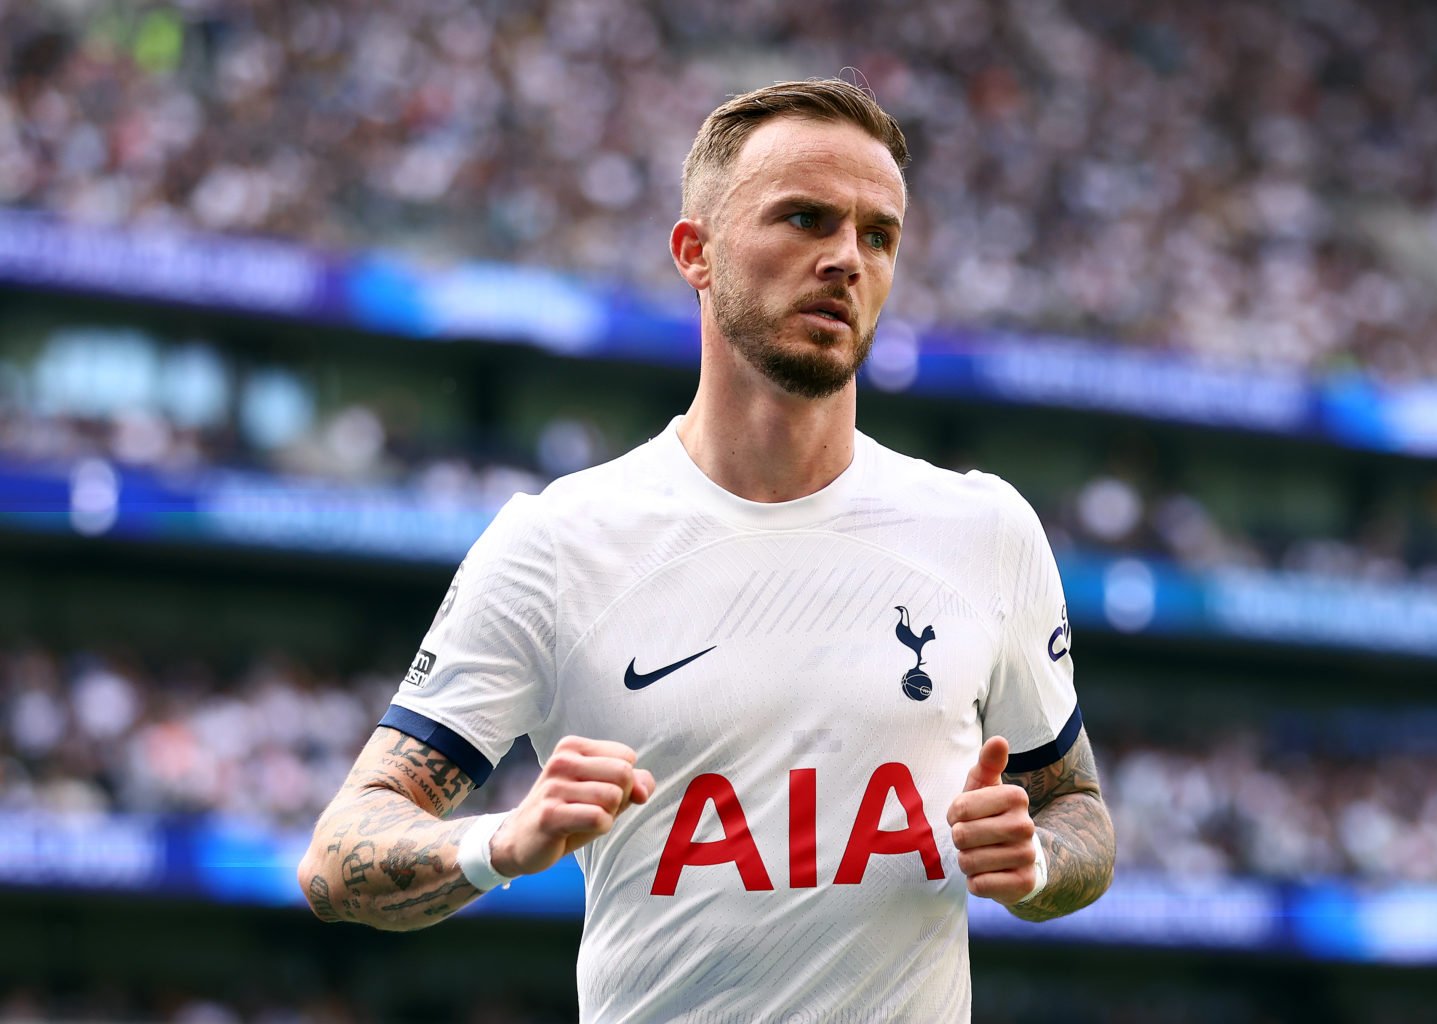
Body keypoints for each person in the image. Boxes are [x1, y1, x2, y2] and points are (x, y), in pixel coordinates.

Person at [299, 77, 1115, 1022]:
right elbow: (337, 857)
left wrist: (1040, 862)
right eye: (805, 219)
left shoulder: (986, 529)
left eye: (877, 234)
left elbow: (1078, 808)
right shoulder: (560, 542)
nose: (846, 259)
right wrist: (502, 843)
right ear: (696, 251)